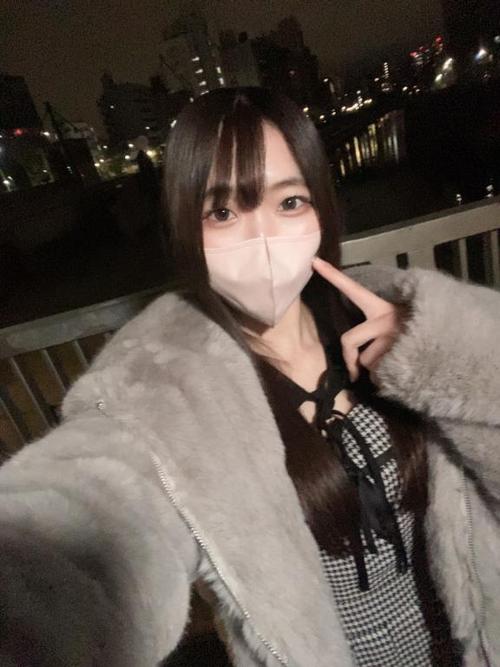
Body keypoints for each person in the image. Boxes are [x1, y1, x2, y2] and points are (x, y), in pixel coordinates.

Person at [0, 87, 499, 667]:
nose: (261, 238)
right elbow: (89, 516)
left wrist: (437, 357)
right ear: (186, 231)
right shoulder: (169, 389)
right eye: (223, 212)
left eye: (289, 202)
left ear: (321, 210)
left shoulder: (394, 318)